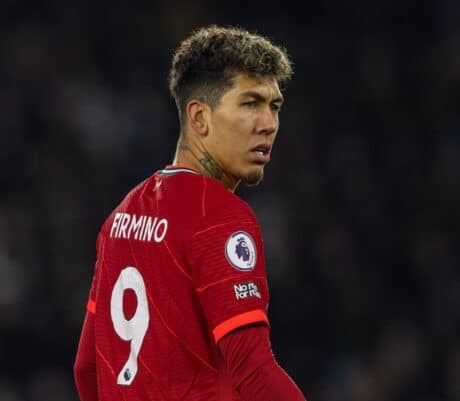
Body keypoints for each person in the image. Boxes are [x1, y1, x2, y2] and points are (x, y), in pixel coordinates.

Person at [73, 25, 306, 401]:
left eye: (274, 106)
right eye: (250, 104)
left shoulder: (122, 215)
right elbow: (254, 370)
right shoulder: (218, 215)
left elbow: (87, 367)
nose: (269, 124)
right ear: (199, 118)